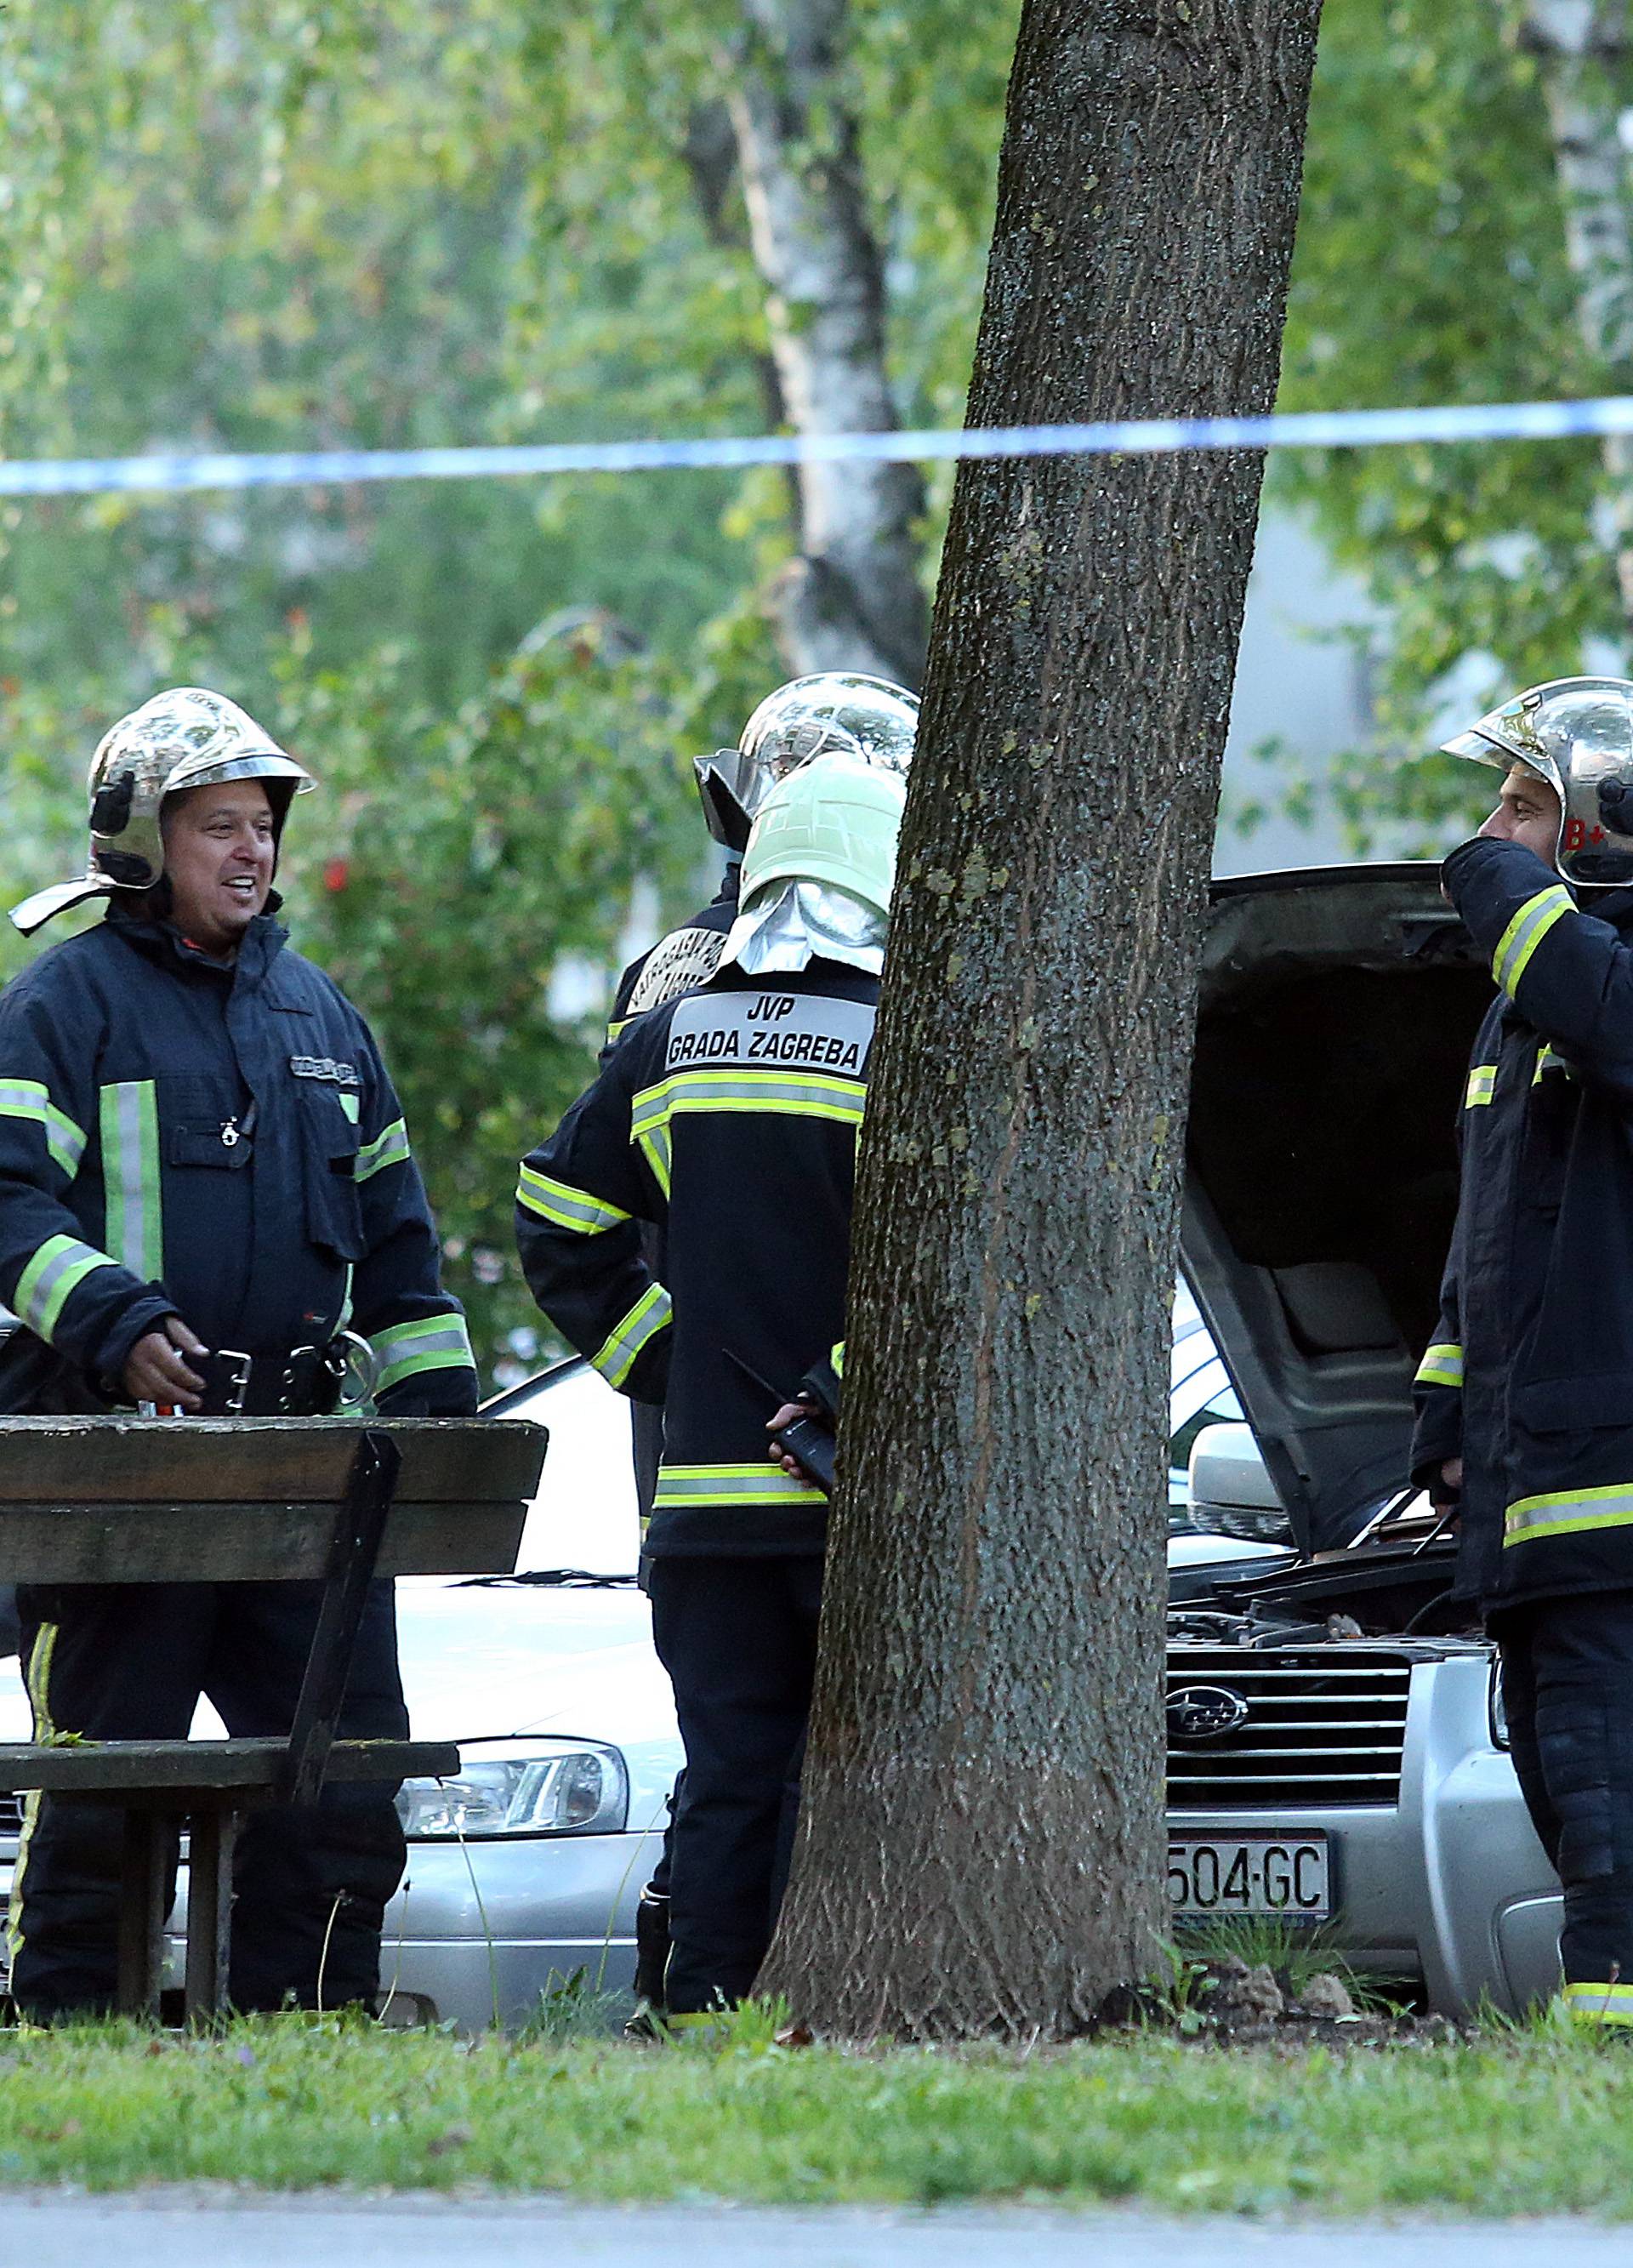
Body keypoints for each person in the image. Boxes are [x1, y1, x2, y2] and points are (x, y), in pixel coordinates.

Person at [0, 686, 479, 2020]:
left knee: (344, 1794)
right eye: (219, 826)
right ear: (145, 841)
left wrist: (441, 1415)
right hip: (124, 1486)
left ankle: (306, 2032)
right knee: (108, 1799)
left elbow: (399, 1248)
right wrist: (113, 1319)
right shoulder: (64, 1004)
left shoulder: (324, 1019)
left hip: (308, 1490)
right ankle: (72, 2036)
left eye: (262, 825)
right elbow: (4, 1193)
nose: (252, 852)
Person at [516, 746, 906, 2013]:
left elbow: (554, 1212)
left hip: (702, 1508)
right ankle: (825, 2009)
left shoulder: (677, 1034)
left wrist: (668, 1367)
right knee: (852, 1777)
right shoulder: (906, 1046)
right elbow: (948, 1260)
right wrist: (850, 1381)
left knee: (731, 1769)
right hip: (852, 1505)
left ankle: (706, 2011)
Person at [1412, 674, 1633, 2028]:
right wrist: (1442, 1418)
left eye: (1525, 801)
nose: (1491, 829)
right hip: (1529, 1489)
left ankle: (1607, 2038)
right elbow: (1478, 1239)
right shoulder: (1521, 1009)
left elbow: (1601, 1005)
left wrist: (1501, 885)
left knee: (1613, 1791)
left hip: (1617, 1496)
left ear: (1599, 823)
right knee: (1569, 1780)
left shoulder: (1590, 981)